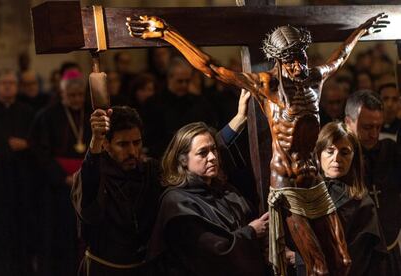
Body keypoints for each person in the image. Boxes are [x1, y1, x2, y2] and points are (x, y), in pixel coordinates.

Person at [127, 12, 389, 275]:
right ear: (278, 60)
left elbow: (341, 55)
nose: (299, 66)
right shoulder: (267, 86)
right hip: (288, 187)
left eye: (302, 57)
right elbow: (211, 67)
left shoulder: (314, 79)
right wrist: (168, 33)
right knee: (317, 268)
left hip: (314, 182)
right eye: (291, 61)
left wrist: (360, 32)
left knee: (343, 262)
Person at [148, 93, 269, 275]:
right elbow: (210, 254)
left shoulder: (224, 191)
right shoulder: (177, 204)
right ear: (182, 160)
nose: (212, 157)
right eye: (202, 153)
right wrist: (251, 232)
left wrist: (240, 118)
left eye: (213, 150)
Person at [71, 106, 162, 276]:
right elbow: (89, 210)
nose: (133, 152)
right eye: (123, 144)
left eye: (137, 142)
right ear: (106, 144)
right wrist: (95, 141)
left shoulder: (150, 170)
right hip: (103, 269)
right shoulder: (93, 174)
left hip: (143, 268)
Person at [296, 121, 387, 276]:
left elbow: (357, 259)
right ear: (318, 154)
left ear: (354, 157)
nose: (336, 159)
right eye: (330, 151)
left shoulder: (362, 204)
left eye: (344, 152)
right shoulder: (305, 193)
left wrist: (299, 259)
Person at [29, 68, 91, 276]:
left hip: (86, 184)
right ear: (62, 94)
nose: (76, 99)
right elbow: (40, 152)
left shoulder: (92, 115)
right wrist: (62, 178)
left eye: (79, 95)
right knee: (58, 235)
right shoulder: (46, 116)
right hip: (57, 190)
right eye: (71, 95)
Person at [345, 90, 401, 275]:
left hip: (390, 248)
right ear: (348, 122)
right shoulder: (338, 160)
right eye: (367, 127)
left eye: (378, 127)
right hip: (356, 256)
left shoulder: (391, 152)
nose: (374, 134)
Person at [0, 69, 35, 276]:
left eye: (11, 83)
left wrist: (27, 144)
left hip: (20, 177)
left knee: (20, 226)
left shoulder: (27, 111)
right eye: (4, 83)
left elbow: (38, 140)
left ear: (17, 87)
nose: (7, 86)